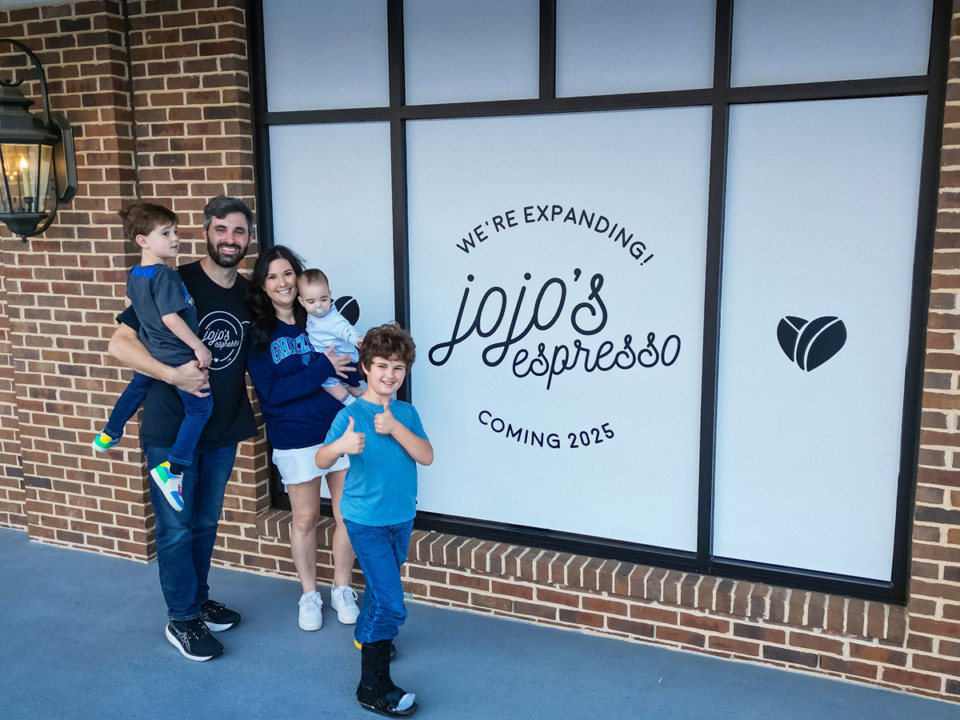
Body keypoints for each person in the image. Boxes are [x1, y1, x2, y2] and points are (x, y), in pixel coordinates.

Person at [107, 196, 293, 662]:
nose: (230, 239)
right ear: (206, 232)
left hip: (223, 426)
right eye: (221, 230)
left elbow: (286, 333)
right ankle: (183, 619)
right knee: (174, 529)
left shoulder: (250, 293)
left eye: (239, 232)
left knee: (205, 524)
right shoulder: (174, 279)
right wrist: (172, 375)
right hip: (172, 430)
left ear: (248, 239)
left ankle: (197, 600)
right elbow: (119, 343)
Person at [316, 323, 434, 717]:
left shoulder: (406, 412)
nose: (389, 374)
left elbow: (426, 455)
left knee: (382, 593)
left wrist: (396, 427)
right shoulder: (352, 415)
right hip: (364, 521)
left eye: (398, 367)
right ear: (365, 367)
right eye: (382, 365)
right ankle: (372, 686)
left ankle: (368, 635)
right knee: (391, 602)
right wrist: (341, 446)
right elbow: (321, 459)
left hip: (401, 518)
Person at [245, 246, 362, 632]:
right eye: (273, 276)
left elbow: (346, 362)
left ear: (300, 278)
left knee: (348, 514)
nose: (282, 282)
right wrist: (322, 369)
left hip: (337, 428)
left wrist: (353, 375)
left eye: (288, 274)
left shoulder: (320, 317)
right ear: (263, 285)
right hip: (294, 437)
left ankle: (341, 588)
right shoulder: (260, 333)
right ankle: (310, 593)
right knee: (306, 518)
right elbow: (273, 392)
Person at [93, 202, 213, 513]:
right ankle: (172, 470)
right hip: (176, 353)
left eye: (176, 232)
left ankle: (109, 433)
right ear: (143, 241)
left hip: (151, 350)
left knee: (136, 389)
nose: (175, 239)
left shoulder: (137, 273)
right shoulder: (166, 276)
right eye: (166, 233)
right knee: (201, 408)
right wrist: (198, 346)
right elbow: (172, 318)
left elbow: (130, 303)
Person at [298, 267, 364, 406]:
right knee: (348, 385)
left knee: (327, 382)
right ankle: (369, 403)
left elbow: (345, 329)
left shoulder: (332, 318)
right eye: (311, 302)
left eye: (323, 299)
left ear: (330, 295)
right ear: (301, 302)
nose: (319, 305)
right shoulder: (311, 314)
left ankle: (353, 405)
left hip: (342, 359)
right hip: (334, 357)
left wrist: (357, 340)